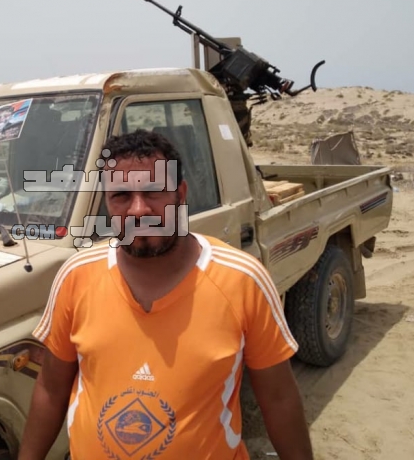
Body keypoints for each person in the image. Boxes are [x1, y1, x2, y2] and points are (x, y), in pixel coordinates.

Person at [18, 129, 313, 460]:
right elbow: (51, 388)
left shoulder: (242, 280)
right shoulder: (77, 275)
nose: (138, 210)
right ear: (107, 203)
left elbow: (278, 398)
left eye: (153, 191)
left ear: (180, 194)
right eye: (121, 196)